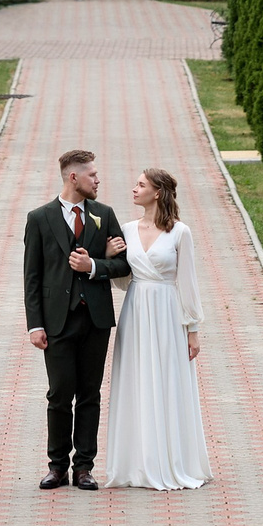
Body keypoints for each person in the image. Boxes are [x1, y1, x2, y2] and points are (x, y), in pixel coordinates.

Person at [22, 147, 130, 489]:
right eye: (92, 175)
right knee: (59, 393)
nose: (98, 180)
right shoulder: (39, 218)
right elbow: (32, 277)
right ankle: (57, 466)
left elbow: (125, 265)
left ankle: (84, 466)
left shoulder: (104, 214)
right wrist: (35, 324)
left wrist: (95, 265)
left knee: (89, 393)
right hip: (56, 321)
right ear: (74, 177)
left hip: (95, 318)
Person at [101, 168, 211, 490]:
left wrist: (192, 329)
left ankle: (172, 460)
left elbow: (187, 283)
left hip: (166, 312)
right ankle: (136, 462)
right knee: (136, 379)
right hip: (135, 310)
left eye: (141, 184)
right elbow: (123, 280)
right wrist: (109, 257)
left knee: (166, 380)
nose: (134, 188)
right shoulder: (127, 229)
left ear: (158, 192)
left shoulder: (180, 233)